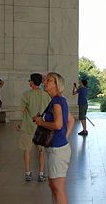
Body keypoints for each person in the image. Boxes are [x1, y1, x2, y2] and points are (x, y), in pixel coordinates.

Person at [34, 72, 74, 203]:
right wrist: (64, 138)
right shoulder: (59, 100)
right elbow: (71, 120)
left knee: (58, 187)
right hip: (56, 147)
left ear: (57, 84)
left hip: (58, 150)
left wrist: (41, 122)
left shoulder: (57, 101)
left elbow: (58, 125)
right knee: (53, 185)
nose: (44, 82)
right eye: (45, 80)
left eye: (49, 80)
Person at [19, 73, 50, 182]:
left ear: (32, 83)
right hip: (41, 127)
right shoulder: (46, 95)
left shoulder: (26, 95)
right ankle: (41, 174)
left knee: (27, 150)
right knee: (41, 151)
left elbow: (22, 111)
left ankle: (28, 173)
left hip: (28, 126)